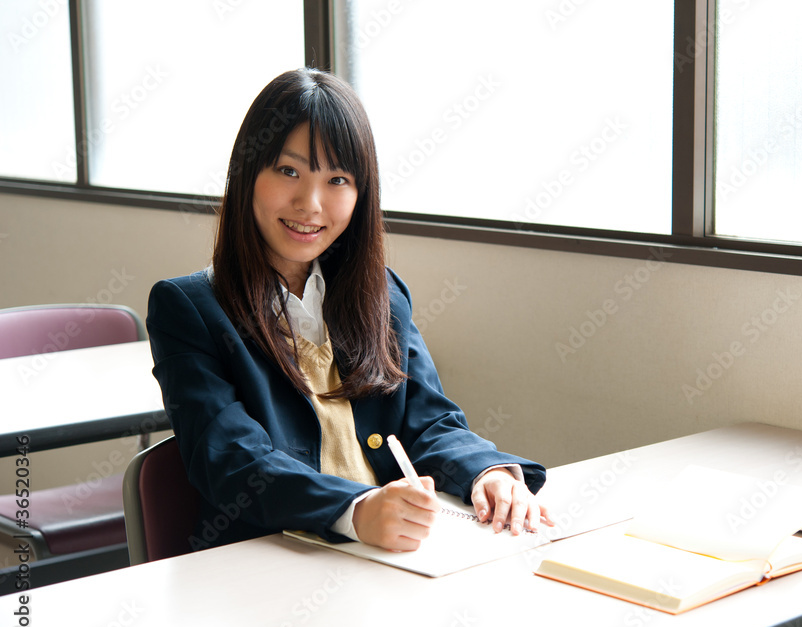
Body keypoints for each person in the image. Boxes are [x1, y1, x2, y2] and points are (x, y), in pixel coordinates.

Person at [147, 68, 552, 553]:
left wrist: (486, 473)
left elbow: (429, 421)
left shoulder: (381, 292)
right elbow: (233, 462)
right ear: (247, 174)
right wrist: (357, 511)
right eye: (288, 171)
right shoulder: (188, 308)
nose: (310, 204)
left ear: (361, 194)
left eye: (337, 179)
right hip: (270, 563)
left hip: (381, 558)